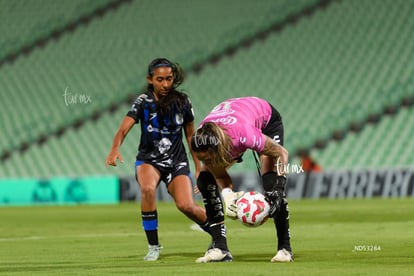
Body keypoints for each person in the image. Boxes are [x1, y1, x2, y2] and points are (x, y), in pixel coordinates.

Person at [105, 58, 212, 261]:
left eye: (169, 79)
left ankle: (218, 236)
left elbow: (191, 136)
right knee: (147, 189)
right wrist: (114, 149)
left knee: (186, 206)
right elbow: (123, 128)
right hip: (149, 160)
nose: (165, 84)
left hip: (176, 161)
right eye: (160, 79)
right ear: (150, 79)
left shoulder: (183, 102)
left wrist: (199, 167)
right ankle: (153, 246)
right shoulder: (143, 102)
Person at [191, 96, 293, 263]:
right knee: (204, 179)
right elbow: (220, 175)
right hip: (233, 123)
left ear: (218, 150)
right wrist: (227, 194)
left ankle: (285, 249)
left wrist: (279, 187)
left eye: (208, 159)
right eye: (202, 159)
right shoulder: (202, 140)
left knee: (271, 184)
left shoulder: (243, 135)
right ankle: (220, 247)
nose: (206, 163)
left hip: (266, 121)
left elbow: (282, 153)